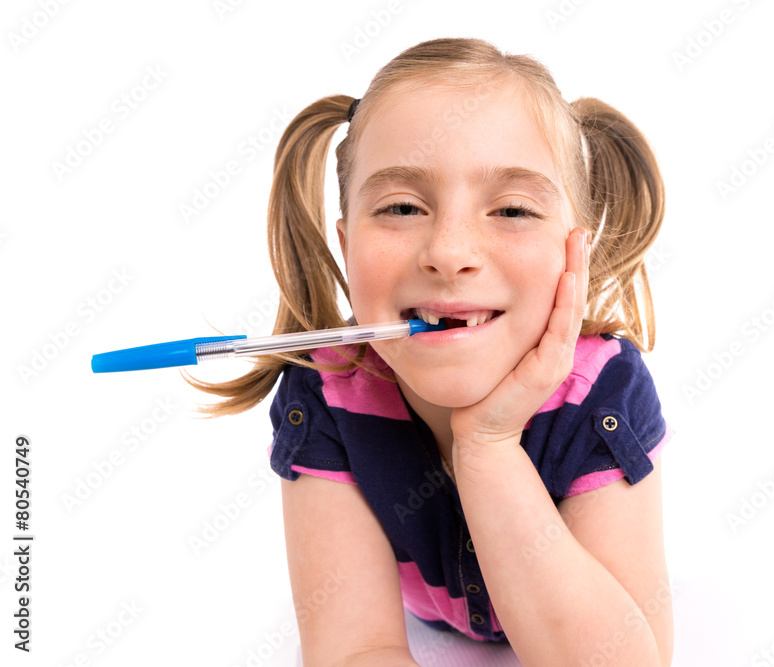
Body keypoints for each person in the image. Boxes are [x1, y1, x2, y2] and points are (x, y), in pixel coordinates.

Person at [188, 37, 675, 666]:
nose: (449, 252)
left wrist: (489, 447)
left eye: (512, 209)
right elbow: (353, 652)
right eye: (400, 207)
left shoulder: (604, 393)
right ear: (346, 243)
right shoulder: (329, 396)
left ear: (573, 249)